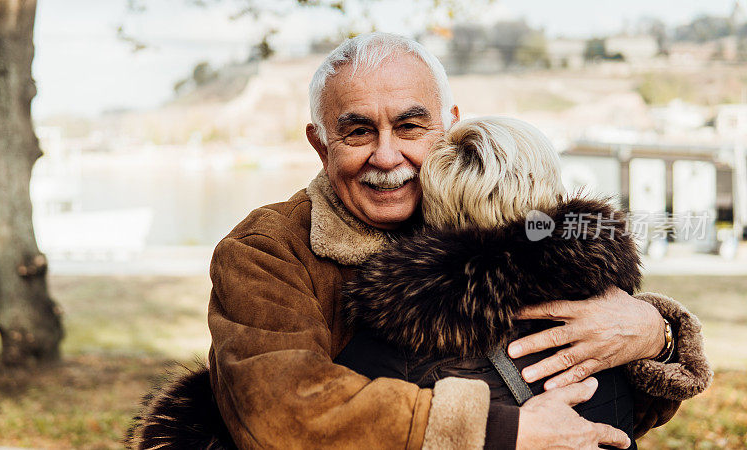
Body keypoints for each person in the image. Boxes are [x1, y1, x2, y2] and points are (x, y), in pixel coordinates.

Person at [127, 32, 712, 449]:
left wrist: (651, 332)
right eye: (358, 131)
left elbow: (623, 407)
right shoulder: (267, 251)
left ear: (449, 121)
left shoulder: (485, 219)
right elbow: (284, 416)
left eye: (410, 126)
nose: (387, 156)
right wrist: (506, 430)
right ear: (318, 142)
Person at [334, 116, 665, 450]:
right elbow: (649, 408)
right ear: (552, 192)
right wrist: (661, 332)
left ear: (432, 209)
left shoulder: (393, 339)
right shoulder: (613, 306)